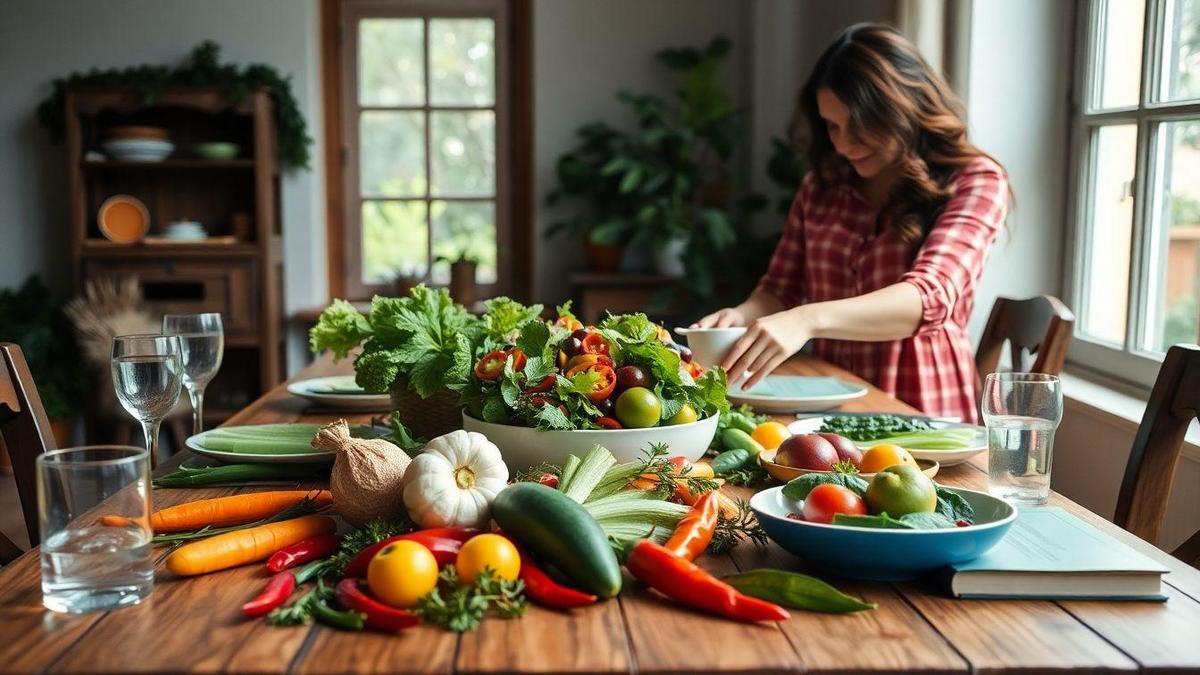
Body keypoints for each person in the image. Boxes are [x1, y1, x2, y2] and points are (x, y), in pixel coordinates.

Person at [694, 23, 1008, 423]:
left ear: (903, 109)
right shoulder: (823, 184)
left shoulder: (976, 180)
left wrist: (807, 319)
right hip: (827, 409)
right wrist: (739, 316)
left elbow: (930, 298)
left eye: (859, 126)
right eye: (833, 126)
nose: (843, 144)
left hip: (924, 414)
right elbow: (779, 290)